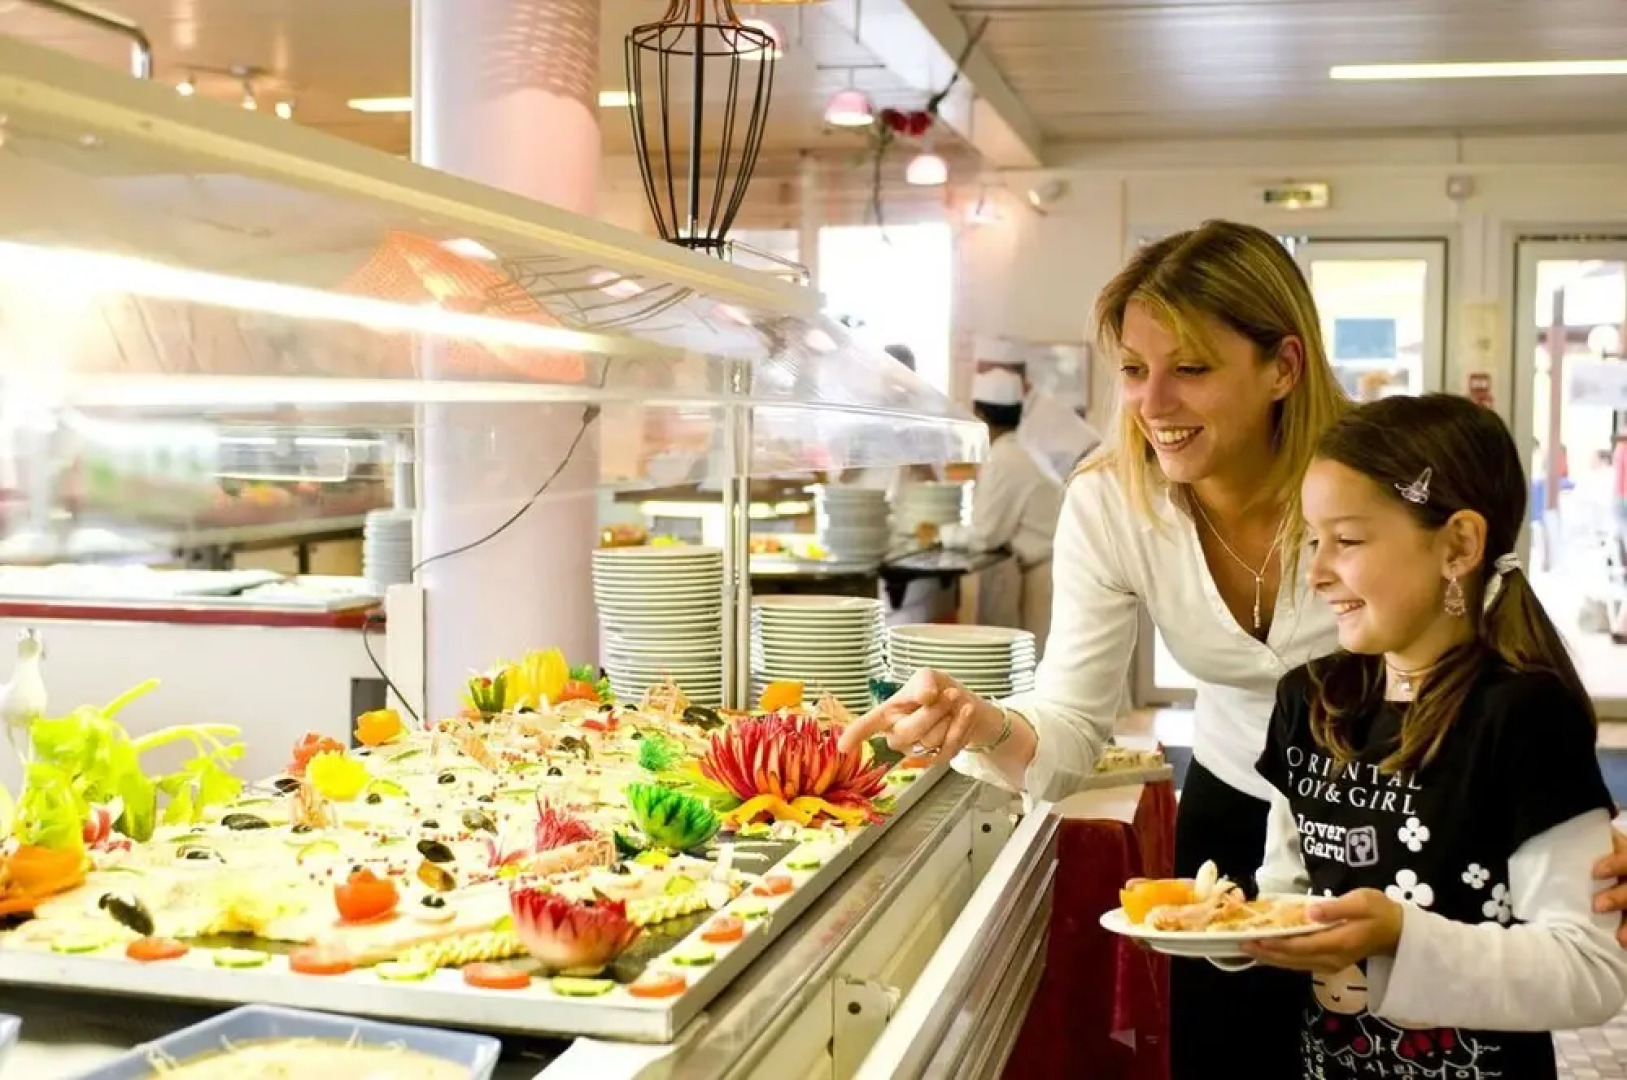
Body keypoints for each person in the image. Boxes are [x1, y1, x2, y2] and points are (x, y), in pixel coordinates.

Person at [843, 219, 1351, 1075]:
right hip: (1234, 804)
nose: (1152, 404)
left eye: (1189, 369)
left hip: (1406, 809)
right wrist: (983, 723)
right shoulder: (1112, 502)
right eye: (1132, 370)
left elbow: (1507, 664)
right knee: (1231, 1057)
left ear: (1282, 368)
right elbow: (1071, 723)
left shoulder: (1373, 478)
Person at [1246, 393, 1627, 1077]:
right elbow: (1281, 890)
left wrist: (1401, 935)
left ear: (1457, 545)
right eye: (1312, 539)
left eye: (1348, 540)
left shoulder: (1522, 717)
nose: (1315, 571)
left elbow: (1587, 971)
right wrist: (1230, 929)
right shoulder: (1307, 702)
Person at [963, 368, 1064, 651]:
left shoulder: (1003, 458)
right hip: (1051, 567)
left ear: (980, 415)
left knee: (1042, 664)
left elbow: (985, 535)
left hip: (1046, 573)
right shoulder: (1024, 450)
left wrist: (941, 534)